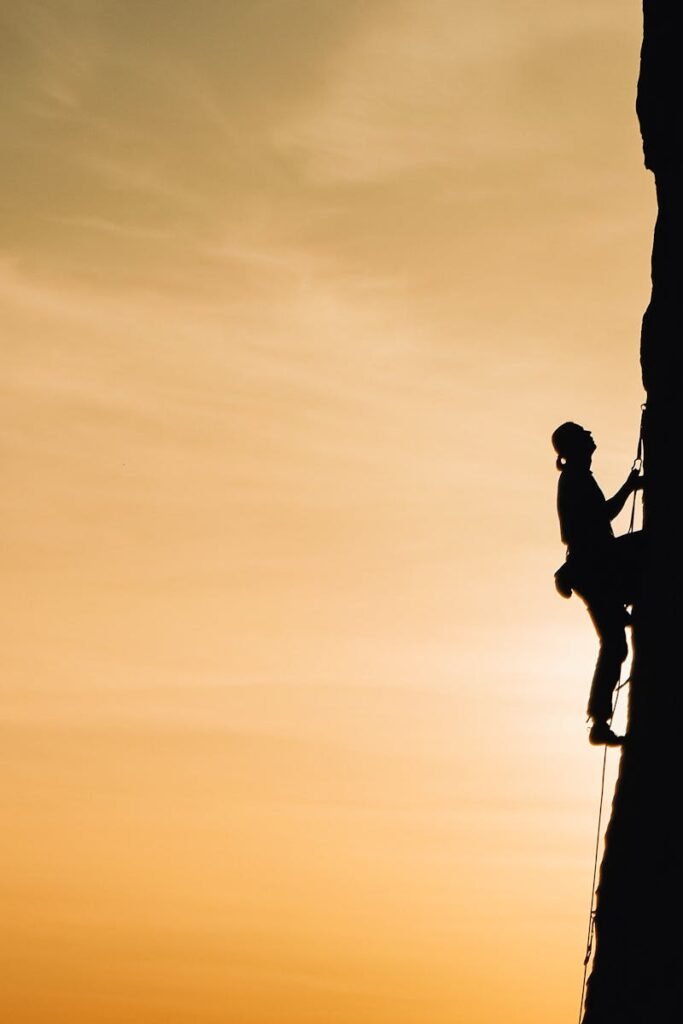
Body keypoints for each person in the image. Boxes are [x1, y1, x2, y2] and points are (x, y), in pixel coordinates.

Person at [552, 422, 643, 746]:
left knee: (615, 644)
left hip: (593, 567)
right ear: (576, 447)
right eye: (585, 435)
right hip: (594, 567)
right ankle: (599, 721)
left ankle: (599, 720)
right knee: (614, 644)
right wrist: (630, 487)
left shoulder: (578, 477)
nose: (592, 437)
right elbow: (602, 516)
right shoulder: (575, 480)